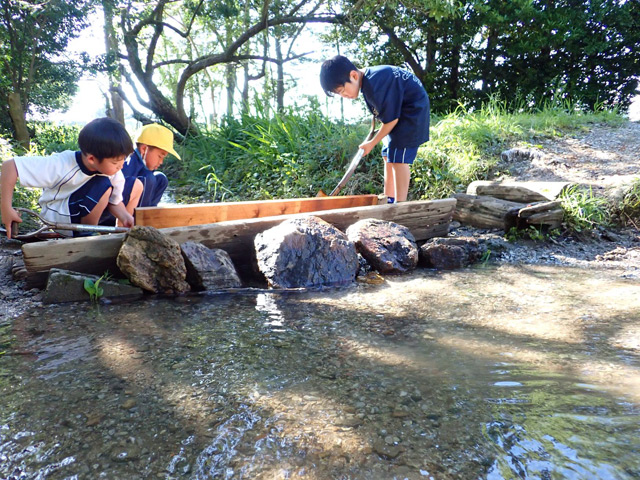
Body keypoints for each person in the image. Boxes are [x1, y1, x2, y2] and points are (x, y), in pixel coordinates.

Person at [1, 117, 143, 239]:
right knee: (103, 184)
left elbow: (115, 202)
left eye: (123, 160)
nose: (121, 166)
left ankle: (87, 233)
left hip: (81, 210)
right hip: (56, 215)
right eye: (115, 162)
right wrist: (6, 209)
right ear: (92, 158)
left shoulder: (114, 172)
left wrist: (126, 218)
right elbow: (10, 166)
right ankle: (86, 236)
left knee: (128, 184)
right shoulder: (61, 164)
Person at [320, 55, 430, 203]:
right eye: (339, 94)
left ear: (353, 75)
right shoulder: (369, 82)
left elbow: (391, 120)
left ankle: (400, 205)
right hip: (400, 112)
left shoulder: (374, 84)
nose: (344, 96)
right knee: (388, 155)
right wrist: (373, 139)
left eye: (342, 90)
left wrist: (372, 143)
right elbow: (386, 117)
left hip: (412, 113)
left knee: (399, 159)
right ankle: (388, 199)